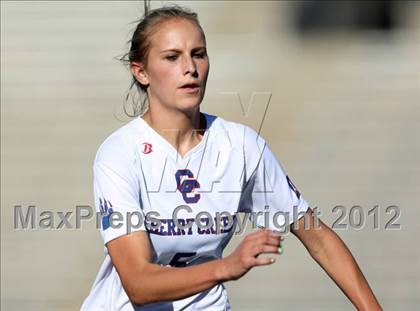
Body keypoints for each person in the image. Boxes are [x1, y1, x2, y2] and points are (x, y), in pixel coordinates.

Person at [81, 4, 382, 311]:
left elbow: (318, 238)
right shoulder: (119, 153)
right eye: (172, 57)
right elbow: (138, 284)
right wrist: (227, 266)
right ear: (141, 72)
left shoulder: (239, 145)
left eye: (198, 53)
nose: (191, 68)